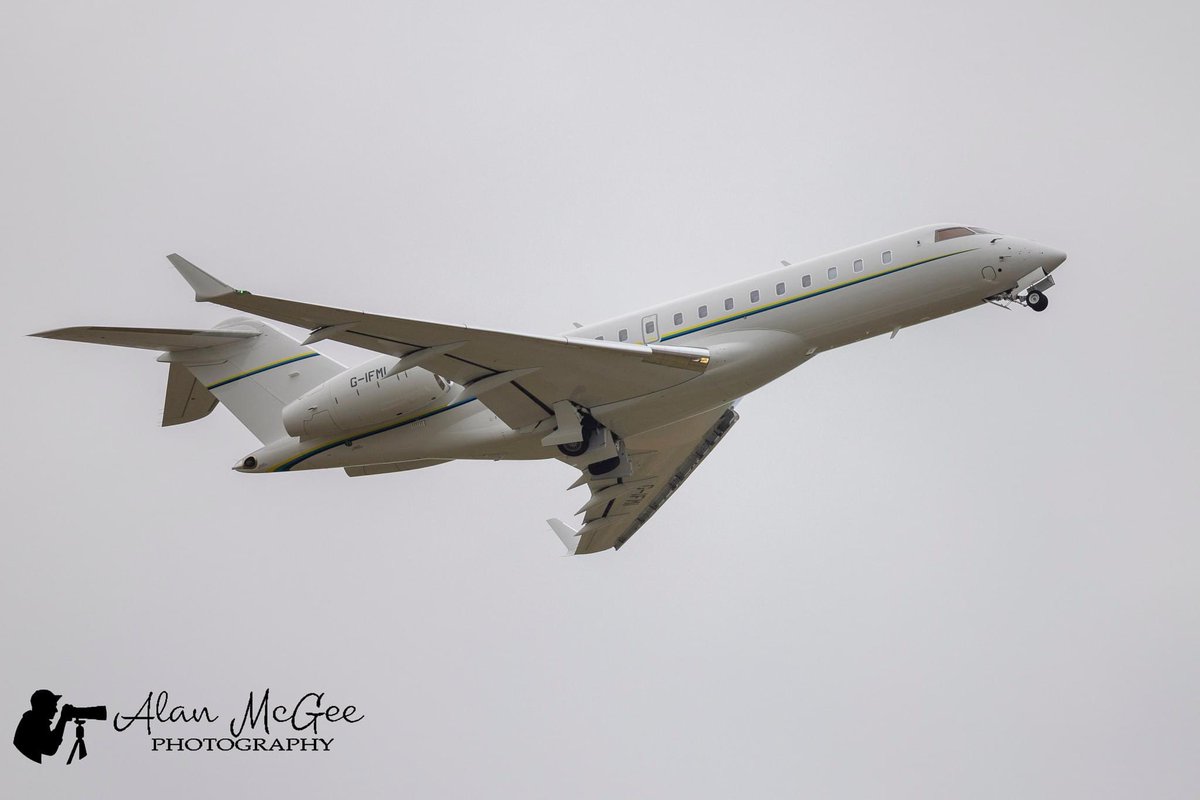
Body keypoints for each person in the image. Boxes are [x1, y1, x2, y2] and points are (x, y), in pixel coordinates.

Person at [13, 689, 69, 763]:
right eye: (53, 705)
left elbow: (49, 742)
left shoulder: (34, 720)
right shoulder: (34, 722)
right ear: (44, 706)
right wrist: (63, 719)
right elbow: (50, 748)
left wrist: (63, 719)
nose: (56, 710)